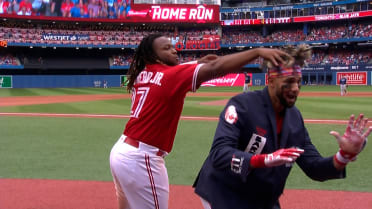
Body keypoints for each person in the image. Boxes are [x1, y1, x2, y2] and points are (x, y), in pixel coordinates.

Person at [109, 33, 290, 209]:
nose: (174, 51)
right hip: (142, 159)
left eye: (172, 46)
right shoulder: (172, 77)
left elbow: (169, 73)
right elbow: (216, 67)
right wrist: (256, 52)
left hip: (121, 153)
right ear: (154, 56)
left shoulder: (142, 74)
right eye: (166, 48)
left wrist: (195, 62)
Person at [193, 45, 372, 209]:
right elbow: (219, 154)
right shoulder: (242, 106)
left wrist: (344, 156)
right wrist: (264, 159)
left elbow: (314, 167)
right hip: (225, 192)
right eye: (288, 82)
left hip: (262, 196)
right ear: (271, 80)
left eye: (299, 82)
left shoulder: (295, 119)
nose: (295, 88)